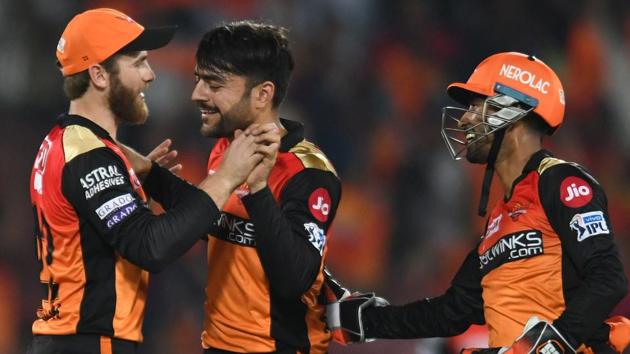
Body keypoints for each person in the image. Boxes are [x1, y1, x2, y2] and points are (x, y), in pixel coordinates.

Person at [326, 52, 630, 353]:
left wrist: (552, 344)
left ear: (513, 112)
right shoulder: (498, 222)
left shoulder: (561, 181)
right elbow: (451, 312)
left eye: (476, 105)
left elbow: (608, 278)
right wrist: (365, 320)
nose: (466, 117)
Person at [29, 9, 279, 354]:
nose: (150, 75)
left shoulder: (69, 143)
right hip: (89, 342)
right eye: (138, 63)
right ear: (99, 75)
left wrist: (147, 182)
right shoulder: (88, 156)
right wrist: (227, 178)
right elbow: (151, 247)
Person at [188, 21, 342, 354]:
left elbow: (295, 279)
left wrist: (258, 190)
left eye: (214, 84)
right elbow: (219, 225)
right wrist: (151, 175)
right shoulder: (226, 148)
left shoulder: (309, 174)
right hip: (217, 345)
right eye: (198, 79)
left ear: (262, 94)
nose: (198, 94)